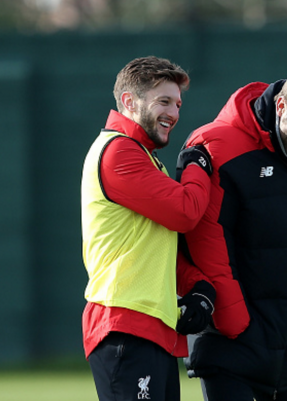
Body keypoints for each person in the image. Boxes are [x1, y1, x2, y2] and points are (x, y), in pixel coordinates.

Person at [178, 55, 287, 401]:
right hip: (230, 344)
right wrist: (237, 323)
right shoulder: (217, 146)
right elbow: (205, 243)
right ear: (282, 105)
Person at [81, 56, 217, 401]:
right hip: (126, 326)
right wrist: (197, 164)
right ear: (129, 101)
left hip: (150, 328)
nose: (174, 112)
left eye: (178, 104)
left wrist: (198, 286)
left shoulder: (142, 154)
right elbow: (186, 212)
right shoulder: (118, 151)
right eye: (163, 101)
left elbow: (154, 244)